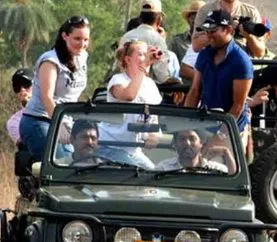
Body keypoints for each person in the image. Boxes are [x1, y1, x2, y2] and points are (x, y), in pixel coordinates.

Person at [185, 9, 254, 159]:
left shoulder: (241, 61)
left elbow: (237, 106)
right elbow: (195, 90)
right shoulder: (205, 54)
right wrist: (185, 125)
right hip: (207, 121)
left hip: (231, 128)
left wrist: (219, 137)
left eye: (213, 31)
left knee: (224, 170)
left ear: (228, 29)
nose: (209, 36)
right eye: (207, 31)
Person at [19, 16, 90, 161]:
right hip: (40, 121)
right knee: (61, 165)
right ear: (65, 36)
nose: (82, 44)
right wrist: (59, 124)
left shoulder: (82, 57)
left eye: (86, 40)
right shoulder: (51, 60)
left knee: (80, 162)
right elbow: (47, 97)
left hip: (66, 121)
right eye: (77, 39)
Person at [97, 40, 163, 169]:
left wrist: (154, 135)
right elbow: (129, 96)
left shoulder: (150, 84)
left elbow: (153, 116)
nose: (145, 58)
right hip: (110, 145)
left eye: (146, 54)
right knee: (138, 174)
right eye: (141, 54)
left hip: (133, 150)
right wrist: (143, 68)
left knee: (154, 174)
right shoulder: (118, 80)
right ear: (128, 60)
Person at [119, 0, 175, 84]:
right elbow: (161, 74)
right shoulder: (157, 39)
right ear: (159, 20)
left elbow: (118, 65)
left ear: (140, 18)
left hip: (124, 87)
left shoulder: (126, 36)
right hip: (145, 89)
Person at [192, 0, 267, 58]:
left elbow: (259, 53)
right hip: (212, 64)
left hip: (240, 66)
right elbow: (196, 46)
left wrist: (249, 37)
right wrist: (223, 32)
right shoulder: (205, 10)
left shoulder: (250, 12)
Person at [156, 129, 235, 173]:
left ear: (201, 144)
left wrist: (226, 152)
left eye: (192, 139)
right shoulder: (163, 169)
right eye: (182, 139)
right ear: (175, 144)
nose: (187, 143)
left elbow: (234, 182)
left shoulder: (215, 169)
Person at [6, 68, 33, 144]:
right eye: (17, 87)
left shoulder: (54, 109)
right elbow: (27, 146)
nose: (22, 90)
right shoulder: (14, 122)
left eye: (26, 84)